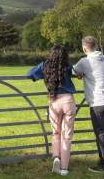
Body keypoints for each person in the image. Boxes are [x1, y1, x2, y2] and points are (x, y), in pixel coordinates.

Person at [27, 45, 77, 176]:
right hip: (68, 101)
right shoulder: (67, 66)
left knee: (56, 133)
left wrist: (43, 69)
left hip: (53, 101)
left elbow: (30, 74)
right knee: (67, 136)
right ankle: (64, 169)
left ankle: (56, 158)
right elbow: (77, 73)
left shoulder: (45, 65)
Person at [73, 36, 104, 174]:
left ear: (84, 48)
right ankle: (103, 161)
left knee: (101, 133)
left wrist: (80, 75)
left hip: (98, 102)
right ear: (97, 46)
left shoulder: (84, 61)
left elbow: (72, 71)